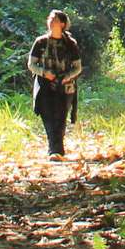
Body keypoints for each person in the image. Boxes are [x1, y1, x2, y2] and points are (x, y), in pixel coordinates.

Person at [27, 9, 83, 159]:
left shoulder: (71, 44)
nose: (51, 22)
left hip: (65, 86)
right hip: (44, 85)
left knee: (61, 115)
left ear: (63, 24)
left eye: (55, 20)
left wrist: (67, 77)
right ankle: (54, 149)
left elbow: (78, 67)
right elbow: (31, 64)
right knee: (47, 115)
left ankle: (57, 148)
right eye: (50, 19)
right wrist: (45, 73)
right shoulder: (40, 42)